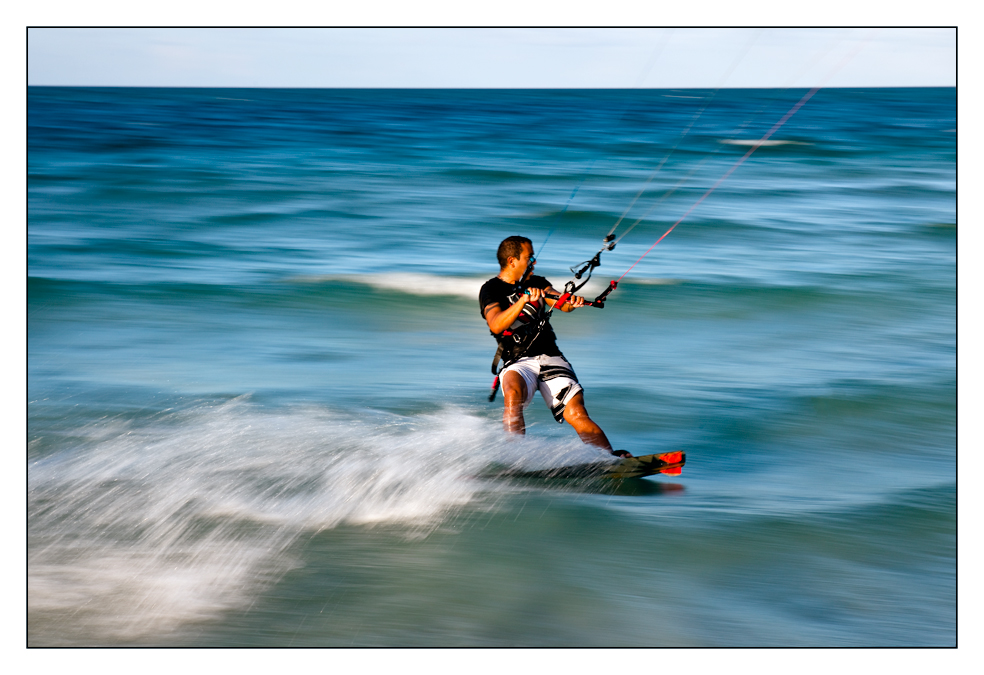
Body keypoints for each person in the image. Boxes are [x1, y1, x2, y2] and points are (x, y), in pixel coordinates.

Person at [478, 236, 630, 458]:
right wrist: (523, 300)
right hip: (517, 361)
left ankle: (609, 460)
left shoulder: (537, 282)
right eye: (529, 257)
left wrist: (572, 302)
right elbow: (496, 324)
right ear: (512, 261)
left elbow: (562, 303)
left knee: (576, 412)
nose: (534, 262)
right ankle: (514, 458)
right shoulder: (491, 289)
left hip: (550, 355)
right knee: (512, 393)